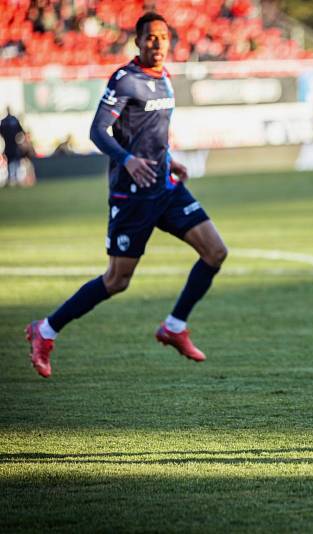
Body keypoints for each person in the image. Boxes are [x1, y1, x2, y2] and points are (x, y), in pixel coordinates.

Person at [25, 12, 228, 378]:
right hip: (132, 196)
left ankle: (175, 326)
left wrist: (170, 161)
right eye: (150, 37)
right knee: (117, 280)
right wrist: (127, 159)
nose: (157, 44)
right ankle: (45, 330)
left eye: (163, 37)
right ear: (137, 41)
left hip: (165, 186)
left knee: (215, 251)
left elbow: (153, 133)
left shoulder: (165, 77)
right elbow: (97, 131)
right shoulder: (125, 80)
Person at [0, 107, 25, 185]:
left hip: (8, 144)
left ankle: (11, 178)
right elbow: (21, 131)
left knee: (11, 161)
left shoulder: (4, 121)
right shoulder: (14, 120)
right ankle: (15, 178)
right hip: (13, 144)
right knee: (15, 160)